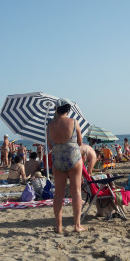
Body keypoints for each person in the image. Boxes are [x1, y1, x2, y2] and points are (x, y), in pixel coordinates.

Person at [46, 98, 84, 233]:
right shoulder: (74, 122)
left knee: (58, 194)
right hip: (73, 157)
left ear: (56, 109)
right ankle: (77, 225)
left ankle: (59, 227)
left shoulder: (50, 126)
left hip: (57, 159)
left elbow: (50, 146)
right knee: (76, 192)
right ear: (68, 109)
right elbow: (80, 142)